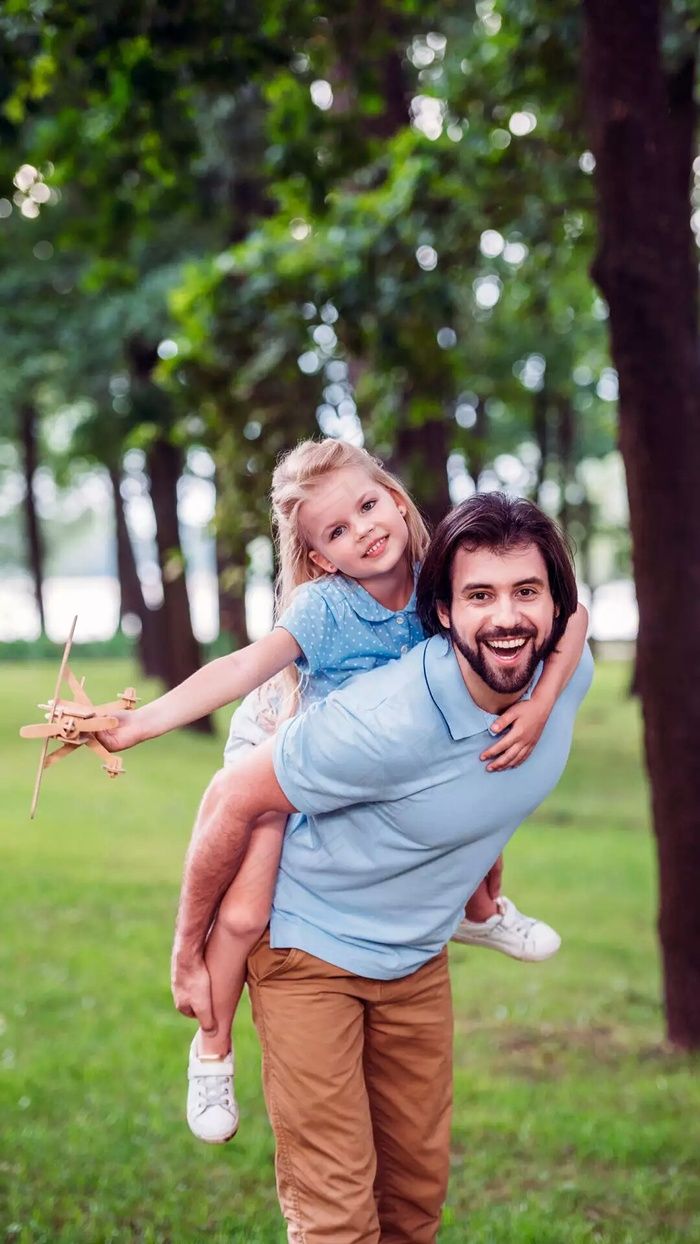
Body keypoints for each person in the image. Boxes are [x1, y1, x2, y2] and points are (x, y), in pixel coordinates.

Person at [101, 440, 587, 1144]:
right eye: (336, 531)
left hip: (375, 759)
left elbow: (572, 619)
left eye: (367, 505)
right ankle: (211, 1047)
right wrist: (142, 723)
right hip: (284, 745)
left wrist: (539, 707)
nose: (362, 529)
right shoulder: (327, 608)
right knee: (243, 915)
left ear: (393, 496)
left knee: (475, 795)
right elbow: (242, 668)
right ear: (322, 557)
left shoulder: (438, 576)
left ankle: (482, 912)